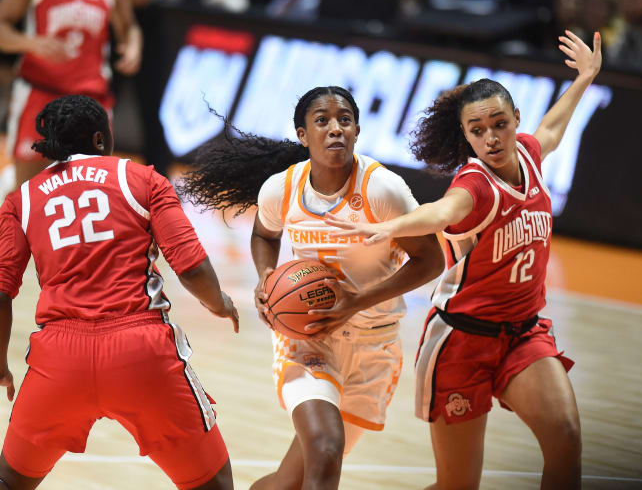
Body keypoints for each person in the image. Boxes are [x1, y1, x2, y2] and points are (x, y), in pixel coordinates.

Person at [324, 31, 601, 490]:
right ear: (467, 136)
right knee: (458, 485)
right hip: (461, 343)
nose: (491, 138)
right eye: (477, 130)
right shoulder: (473, 184)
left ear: (516, 119)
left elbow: (551, 129)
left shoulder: (529, 155)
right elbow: (443, 212)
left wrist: (585, 78)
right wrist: (395, 226)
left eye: (499, 124)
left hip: (522, 333)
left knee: (566, 438)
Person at [179, 85, 444, 490]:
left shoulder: (382, 190)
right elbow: (264, 236)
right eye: (322, 120)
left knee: (290, 481)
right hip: (308, 339)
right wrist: (268, 278)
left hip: (373, 346)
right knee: (324, 447)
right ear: (303, 135)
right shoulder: (281, 188)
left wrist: (357, 302)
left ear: (357, 131)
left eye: (345, 120)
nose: (335, 128)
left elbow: (431, 259)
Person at [0, 94, 239, 490]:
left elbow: (1, 291)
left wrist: (0, 363)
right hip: (141, 351)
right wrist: (221, 304)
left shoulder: (21, 199)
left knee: (10, 482)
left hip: (59, 359)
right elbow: (191, 267)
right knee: (212, 483)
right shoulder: (142, 179)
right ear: (99, 139)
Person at [0, 0, 142, 194]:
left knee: (90, 191)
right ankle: (8, 187)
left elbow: (130, 27)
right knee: (25, 193)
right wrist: (31, 43)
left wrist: (133, 47)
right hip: (40, 93)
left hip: (90, 101)